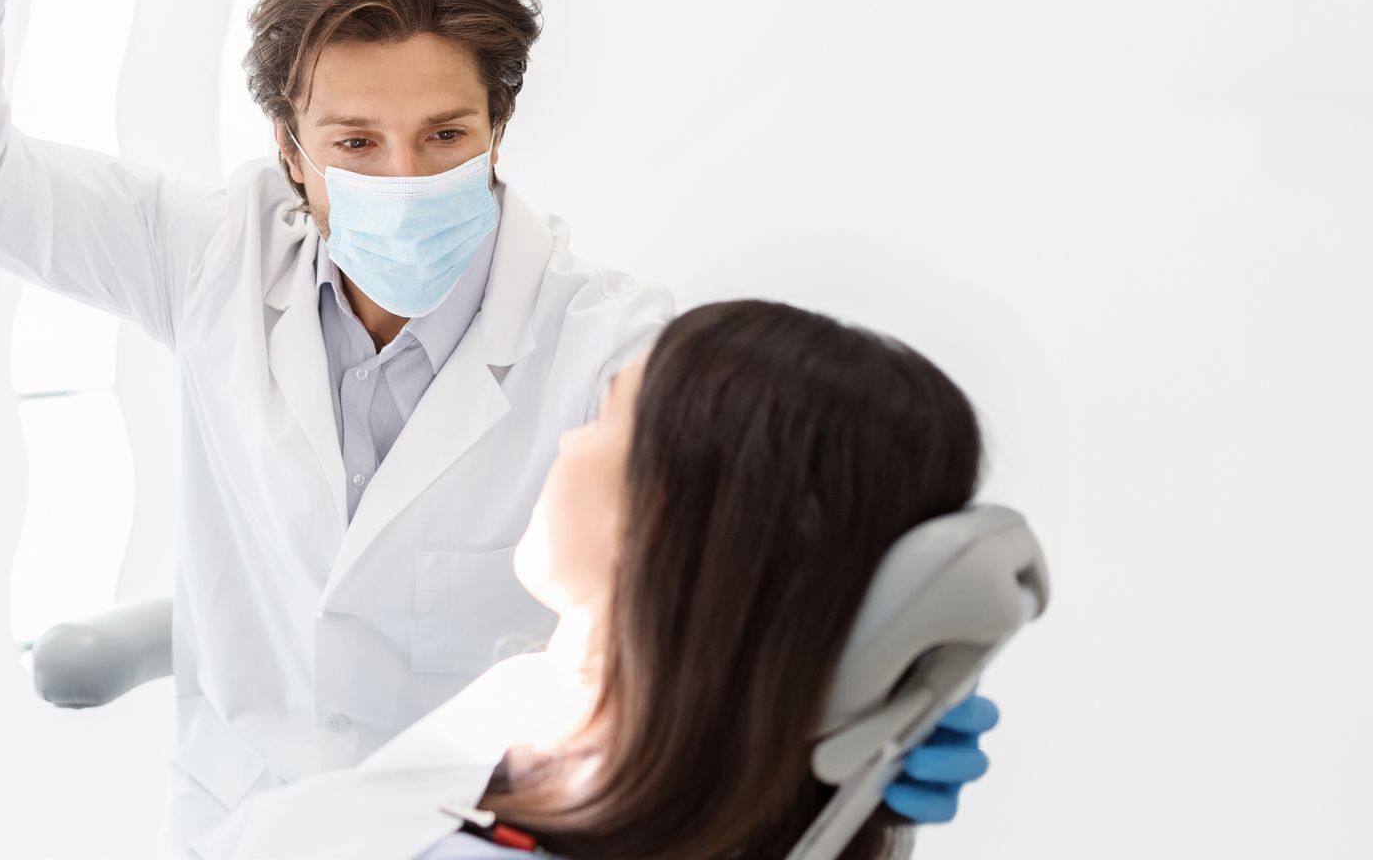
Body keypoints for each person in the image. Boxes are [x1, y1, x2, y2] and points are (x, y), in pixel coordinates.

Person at [0, 0, 993, 847]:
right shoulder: (209, 257)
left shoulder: (614, 351)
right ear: (292, 153)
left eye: (445, 133)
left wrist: (856, 705)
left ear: (500, 131)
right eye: (356, 141)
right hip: (250, 816)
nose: (405, 175)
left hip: (483, 812)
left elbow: (773, 536)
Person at [202, 299, 1001, 860]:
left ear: (669, 524)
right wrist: (851, 702)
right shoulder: (592, 727)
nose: (568, 440)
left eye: (605, 416)